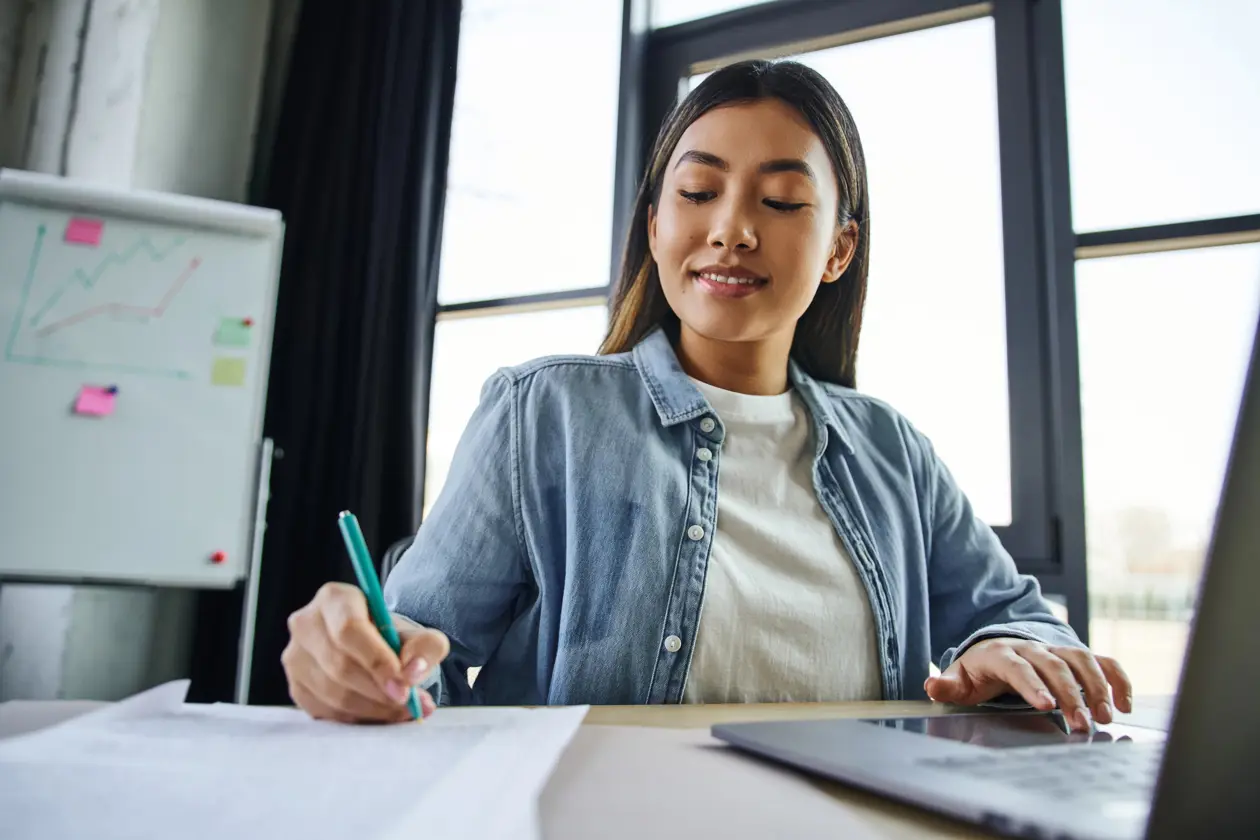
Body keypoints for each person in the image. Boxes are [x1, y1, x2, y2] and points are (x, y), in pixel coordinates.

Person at [281, 59, 1131, 730]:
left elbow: (1018, 616)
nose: (731, 226)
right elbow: (411, 661)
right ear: (655, 224)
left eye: (783, 200)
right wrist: (356, 661)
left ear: (839, 250)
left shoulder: (892, 451)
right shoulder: (544, 414)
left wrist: (1016, 650)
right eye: (697, 191)